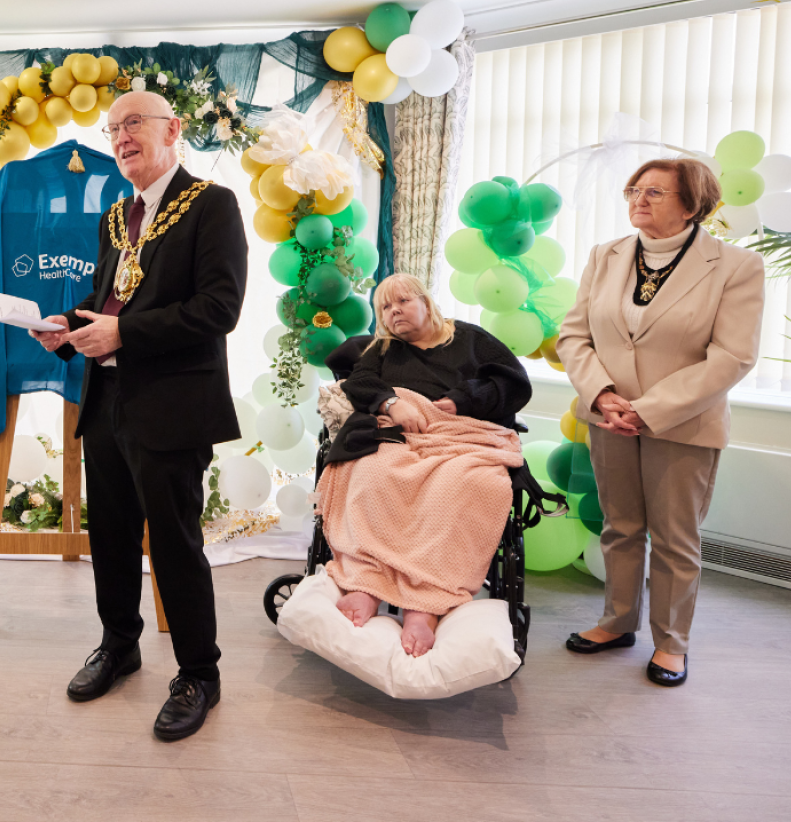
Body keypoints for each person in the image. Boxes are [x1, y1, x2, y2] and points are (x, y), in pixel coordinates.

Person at [29, 90, 247, 742]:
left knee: (175, 543)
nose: (121, 137)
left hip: (174, 403)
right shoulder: (115, 216)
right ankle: (119, 645)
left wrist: (123, 335)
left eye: (133, 124)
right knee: (111, 536)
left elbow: (219, 308)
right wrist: (67, 325)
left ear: (172, 129)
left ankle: (199, 674)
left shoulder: (211, 204)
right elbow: (109, 299)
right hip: (106, 399)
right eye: (112, 129)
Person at [556, 158, 764, 687]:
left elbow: (732, 356)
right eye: (634, 189)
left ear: (692, 205)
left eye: (654, 192)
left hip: (682, 422)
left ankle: (672, 644)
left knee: (675, 537)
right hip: (607, 417)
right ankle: (616, 622)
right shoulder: (605, 255)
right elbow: (574, 336)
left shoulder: (736, 266)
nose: (638, 199)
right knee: (619, 526)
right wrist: (602, 394)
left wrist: (648, 409)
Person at [317, 273, 531, 657]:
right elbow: (359, 382)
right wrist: (391, 403)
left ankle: (425, 605)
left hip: (463, 436)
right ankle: (367, 583)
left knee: (465, 483)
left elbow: (513, 383)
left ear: (426, 302)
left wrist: (464, 400)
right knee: (371, 471)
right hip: (402, 434)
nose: (394, 311)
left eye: (402, 301)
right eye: (385, 306)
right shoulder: (384, 349)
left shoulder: (469, 339)